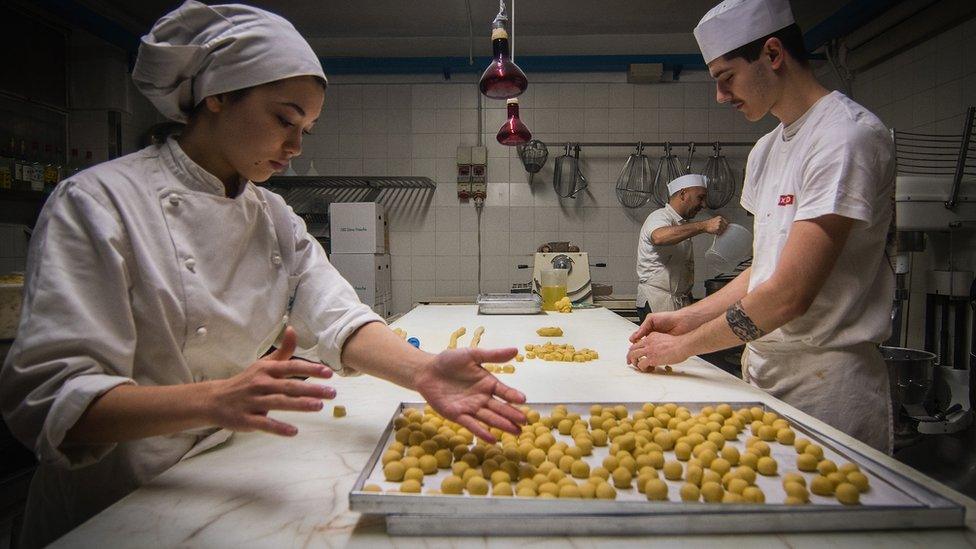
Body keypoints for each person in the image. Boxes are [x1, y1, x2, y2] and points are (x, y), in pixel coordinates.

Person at [0, 2, 526, 546]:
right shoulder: (98, 203)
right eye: (284, 119)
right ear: (218, 96)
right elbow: (51, 402)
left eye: (307, 129)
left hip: (221, 481)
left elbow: (337, 315)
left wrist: (422, 372)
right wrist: (213, 400)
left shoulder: (272, 216)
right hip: (106, 507)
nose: (296, 147)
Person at [627, 0, 895, 454]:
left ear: (773, 54)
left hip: (826, 384)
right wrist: (684, 319)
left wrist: (685, 347)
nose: (720, 96)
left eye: (725, 78)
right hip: (763, 370)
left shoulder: (844, 138)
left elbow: (789, 293)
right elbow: (765, 271)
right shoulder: (766, 150)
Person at [636, 174, 728, 322]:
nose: (704, 205)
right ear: (683, 194)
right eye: (700, 197)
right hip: (658, 301)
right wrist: (704, 225)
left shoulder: (681, 223)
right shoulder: (660, 216)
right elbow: (659, 237)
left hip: (677, 301)